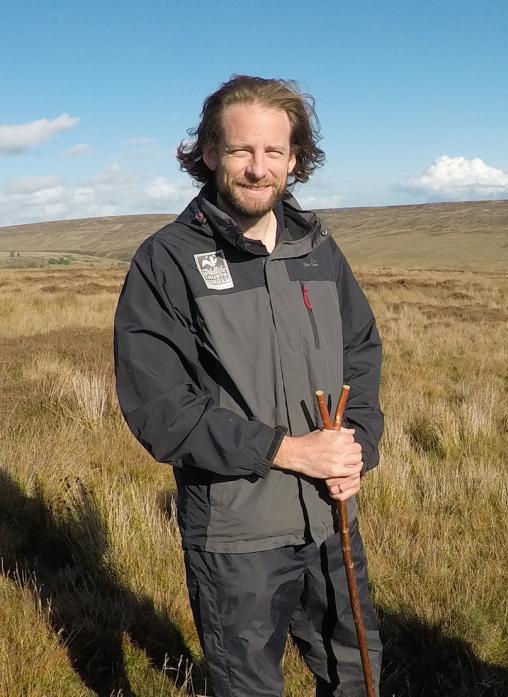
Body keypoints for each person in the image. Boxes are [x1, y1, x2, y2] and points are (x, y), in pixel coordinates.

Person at [114, 75, 383, 697]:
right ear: (209, 153)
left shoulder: (317, 249)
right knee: (247, 687)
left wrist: (356, 447)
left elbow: (361, 354)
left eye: (273, 152)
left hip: (330, 513)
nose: (258, 169)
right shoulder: (167, 262)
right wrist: (288, 451)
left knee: (357, 671)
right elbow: (161, 410)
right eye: (241, 151)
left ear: (295, 158)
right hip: (236, 535)